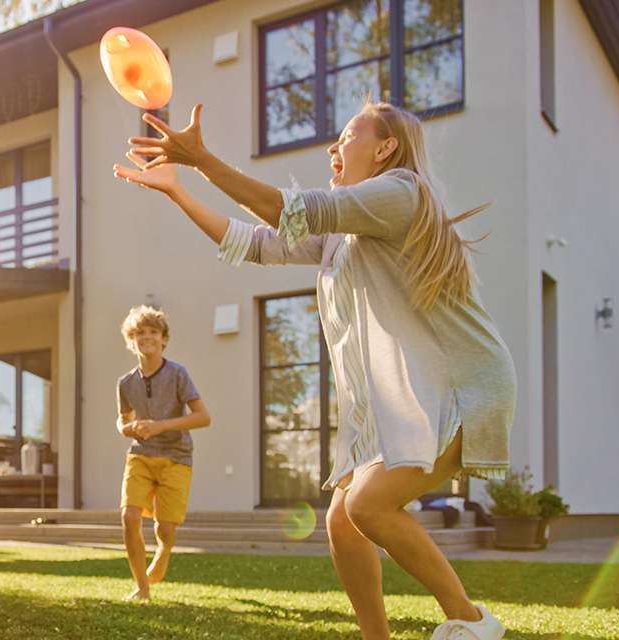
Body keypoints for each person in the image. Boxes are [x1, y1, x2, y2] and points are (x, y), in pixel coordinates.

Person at [114, 101, 514, 639]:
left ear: (386, 148)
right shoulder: (345, 235)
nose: (332, 147)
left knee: (368, 505)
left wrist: (202, 160)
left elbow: (291, 210)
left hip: (462, 388)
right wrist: (179, 191)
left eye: (346, 136)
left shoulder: (401, 192)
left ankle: (472, 623)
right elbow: (256, 243)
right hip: (409, 398)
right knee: (343, 522)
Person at [114, 305, 210, 601]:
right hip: (140, 454)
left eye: (153, 332)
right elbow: (122, 419)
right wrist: (127, 428)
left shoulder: (178, 373)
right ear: (131, 341)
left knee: (165, 529)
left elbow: (203, 417)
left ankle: (164, 550)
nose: (147, 337)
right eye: (140, 333)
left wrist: (161, 426)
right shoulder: (125, 383)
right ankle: (142, 588)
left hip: (176, 457)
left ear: (164, 339)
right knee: (129, 516)